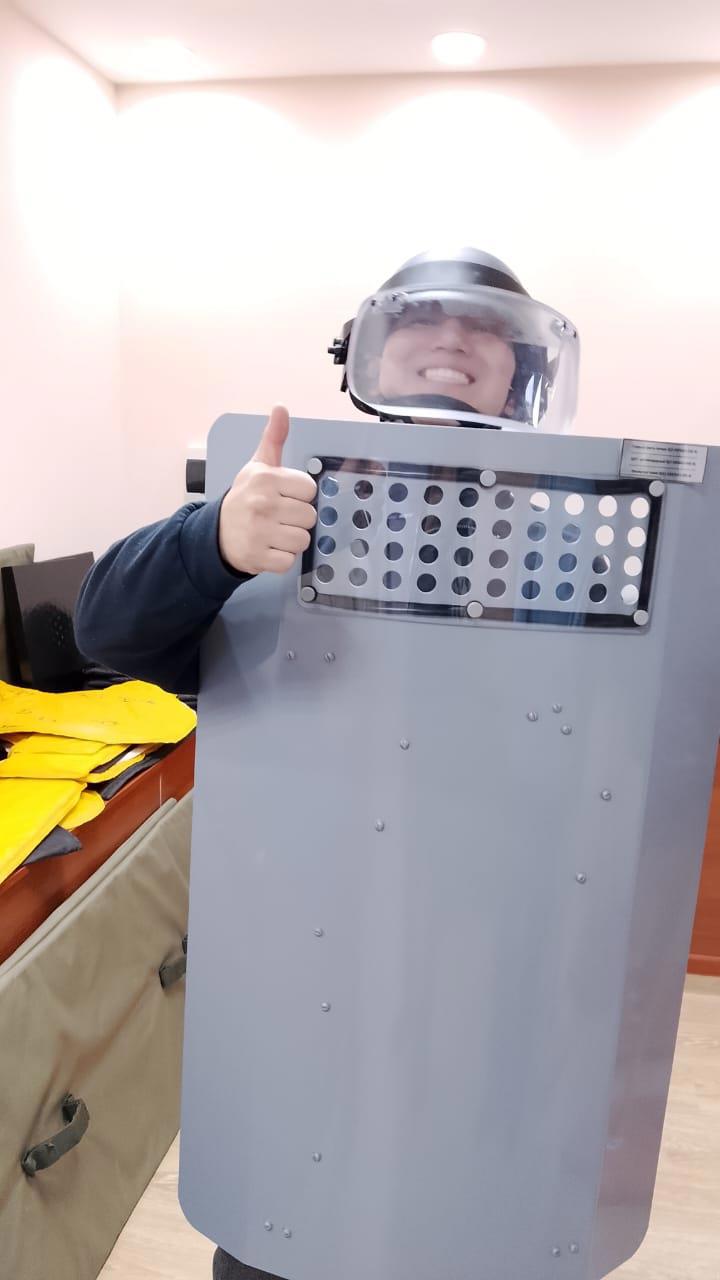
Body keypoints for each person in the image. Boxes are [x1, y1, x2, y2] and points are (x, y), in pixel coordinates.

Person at [74, 247, 579, 1280]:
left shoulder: (575, 556)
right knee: (287, 1215)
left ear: (522, 374)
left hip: (487, 970)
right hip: (298, 956)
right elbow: (105, 630)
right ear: (367, 356)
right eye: (424, 319)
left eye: (485, 329)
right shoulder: (275, 514)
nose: (453, 339)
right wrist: (214, 541)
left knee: (472, 1209)